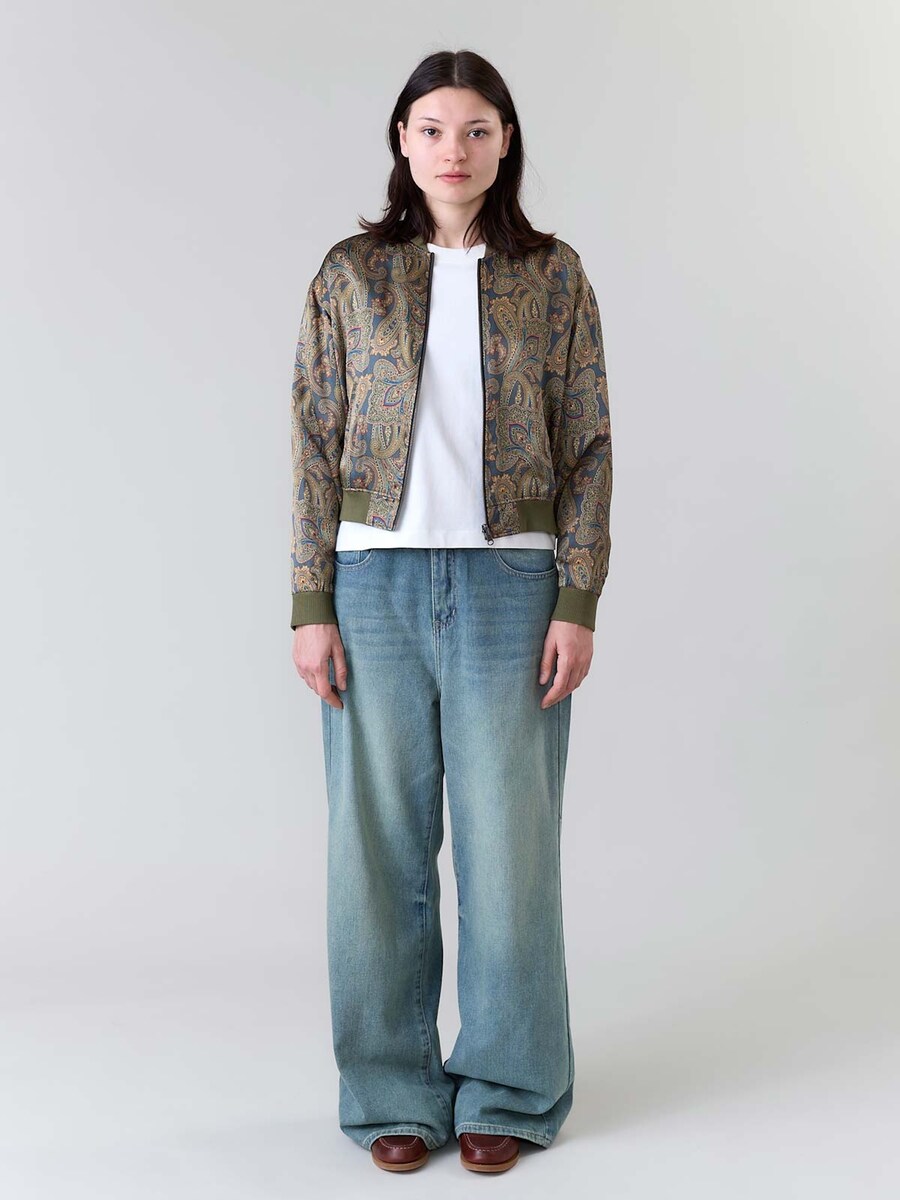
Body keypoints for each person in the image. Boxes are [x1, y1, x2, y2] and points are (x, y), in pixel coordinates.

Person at [289, 48, 612, 1174]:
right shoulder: (351, 275)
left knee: (510, 849)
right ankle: (391, 1090)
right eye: (432, 129)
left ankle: (510, 1090)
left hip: (510, 588)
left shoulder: (555, 278)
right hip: (372, 587)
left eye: (476, 129)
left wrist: (577, 596)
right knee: (375, 853)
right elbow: (313, 438)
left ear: (505, 141)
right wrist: (309, 601)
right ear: (402, 140)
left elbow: (588, 444)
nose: (453, 150)